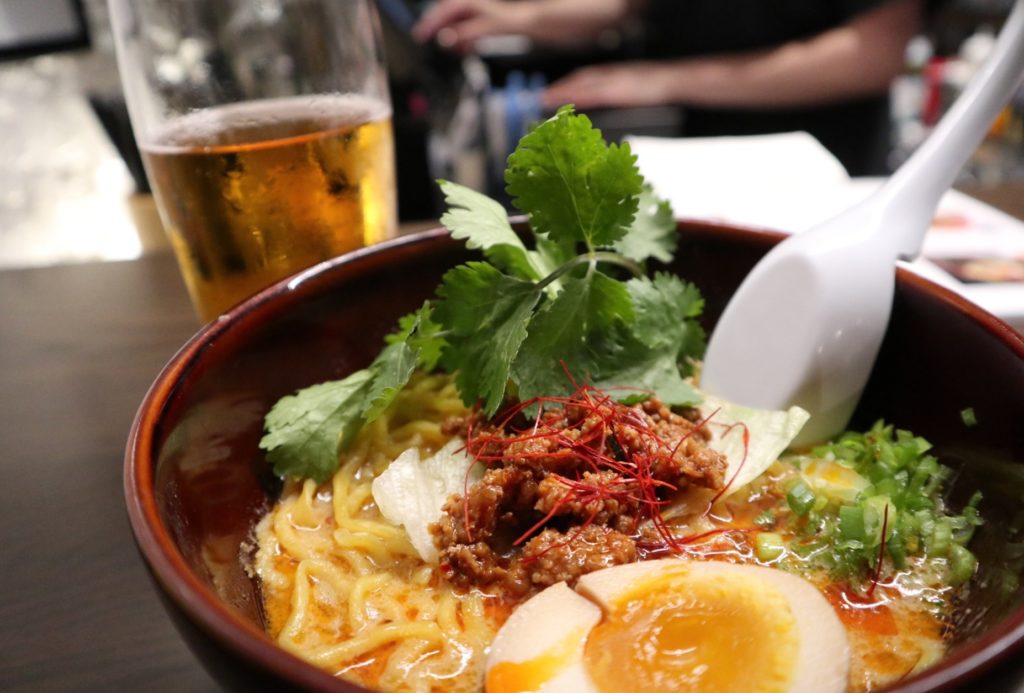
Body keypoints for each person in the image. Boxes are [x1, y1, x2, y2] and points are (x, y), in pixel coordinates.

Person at [414, 0, 927, 175]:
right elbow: (629, 4)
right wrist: (509, 17)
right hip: (697, 169)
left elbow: (872, 53)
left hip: (827, 171)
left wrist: (663, 79)